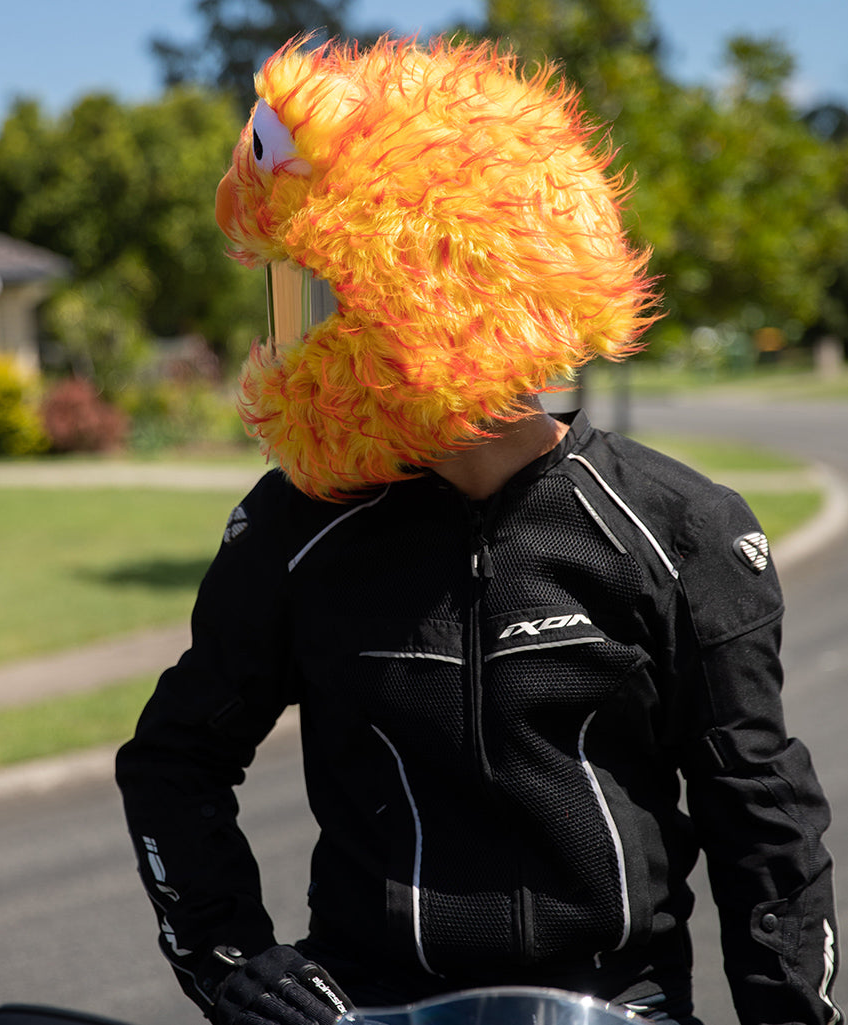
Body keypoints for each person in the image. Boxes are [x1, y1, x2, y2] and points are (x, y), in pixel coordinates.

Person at [116, 36, 841, 1025]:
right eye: (289, 292)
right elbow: (173, 756)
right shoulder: (295, 526)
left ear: (440, 288)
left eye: (319, 290)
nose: (291, 334)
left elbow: (759, 816)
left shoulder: (676, 527)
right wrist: (226, 952)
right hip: (368, 1005)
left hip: (613, 1003)